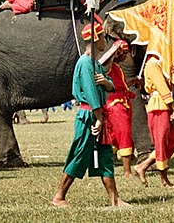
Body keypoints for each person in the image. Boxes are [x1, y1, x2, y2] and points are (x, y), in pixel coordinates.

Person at [52, 21, 129, 207]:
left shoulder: (95, 63)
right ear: (95, 39)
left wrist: (106, 82)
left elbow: (109, 83)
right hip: (89, 117)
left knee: (104, 156)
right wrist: (99, 119)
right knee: (80, 154)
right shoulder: (85, 63)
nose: (105, 41)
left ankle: (115, 199)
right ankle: (59, 196)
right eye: (102, 37)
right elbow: (90, 93)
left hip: (98, 116)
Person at [134, 53, 174, 187]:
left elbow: (169, 88)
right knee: (161, 143)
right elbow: (161, 87)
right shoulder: (152, 64)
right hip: (159, 107)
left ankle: (142, 166)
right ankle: (164, 181)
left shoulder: (160, 65)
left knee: (171, 142)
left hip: (165, 106)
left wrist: (173, 76)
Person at [100, 40, 137, 178]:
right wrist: (114, 51)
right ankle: (127, 172)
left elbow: (119, 85)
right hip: (115, 105)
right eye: (125, 53)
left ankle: (113, 161)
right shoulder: (109, 65)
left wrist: (132, 83)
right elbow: (102, 64)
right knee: (124, 134)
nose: (126, 57)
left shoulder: (117, 67)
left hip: (123, 102)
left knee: (118, 135)